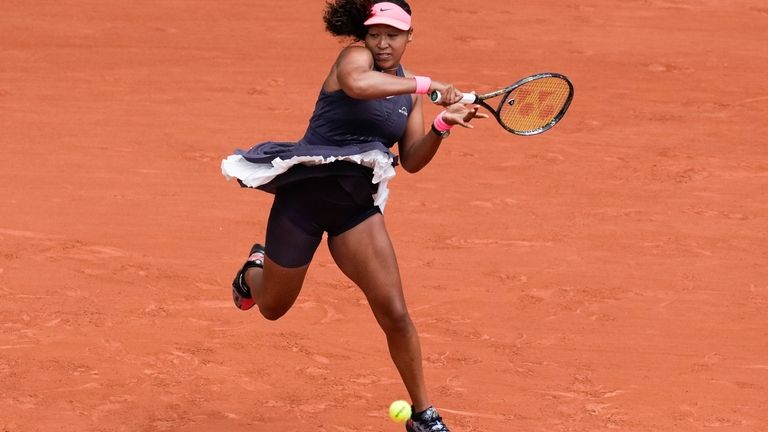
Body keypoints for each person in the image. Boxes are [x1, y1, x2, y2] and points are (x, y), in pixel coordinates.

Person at [220, 1, 487, 431]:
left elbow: (413, 159)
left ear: (409, 37)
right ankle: (253, 270)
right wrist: (426, 83)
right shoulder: (354, 58)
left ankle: (423, 415)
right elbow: (358, 85)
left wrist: (442, 125)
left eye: (393, 35)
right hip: (304, 200)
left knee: (395, 312)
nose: (382, 43)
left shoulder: (409, 97)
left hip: (356, 212)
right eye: (376, 33)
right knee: (272, 307)